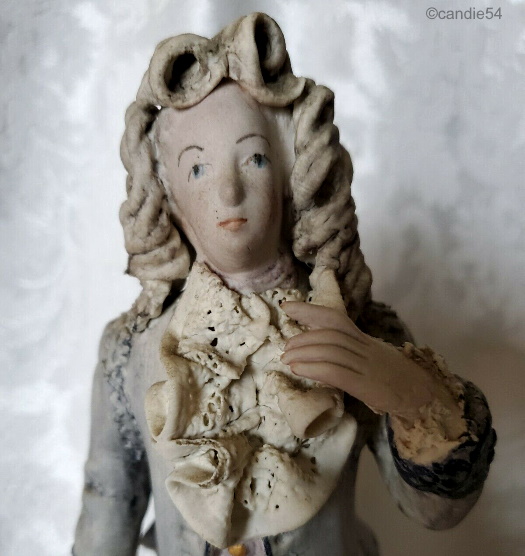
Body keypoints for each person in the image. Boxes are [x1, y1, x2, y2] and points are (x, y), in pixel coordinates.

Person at [73, 13, 496, 556]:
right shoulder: (130, 352)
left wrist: (412, 395)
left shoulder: (358, 328)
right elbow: (107, 507)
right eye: (198, 169)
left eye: (253, 159)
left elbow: (434, 513)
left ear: (291, 175)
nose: (228, 192)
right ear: (168, 195)